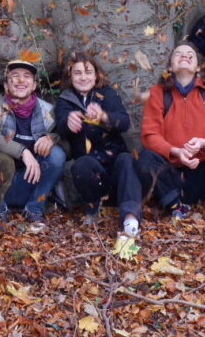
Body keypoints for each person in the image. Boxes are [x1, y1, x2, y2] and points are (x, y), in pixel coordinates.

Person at [137, 42, 205, 224]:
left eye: (190, 54)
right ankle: (175, 206)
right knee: (147, 157)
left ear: (197, 67)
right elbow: (150, 135)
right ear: (170, 67)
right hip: (173, 174)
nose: (184, 56)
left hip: (204, 171)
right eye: (178, 53)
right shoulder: (158, 93)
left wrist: (203, 143)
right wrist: (176, 151)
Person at [54, 52, 141, 237]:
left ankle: (130, 217)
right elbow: (60, 125)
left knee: (127, 159)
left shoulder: (107, 94)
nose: (83, 77)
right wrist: (68, 122)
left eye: (88, 72)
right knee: (81, 164)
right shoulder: (65, 99)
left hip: (116, 166)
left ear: (96, 75)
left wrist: (104, 116)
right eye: (77, 73)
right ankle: (92, 209)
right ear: (70, 76)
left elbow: (124, 122)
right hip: (92, 172)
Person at [0, 59, 65, 226]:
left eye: (27, 76)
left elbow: (67, 145)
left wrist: (52, 138)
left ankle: (34, 209)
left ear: (34, 85)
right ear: (6, 85)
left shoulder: (48, 111)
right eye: (15, 76)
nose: (21, 81)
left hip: (32, 182)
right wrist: (23, 152)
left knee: (57, 154)